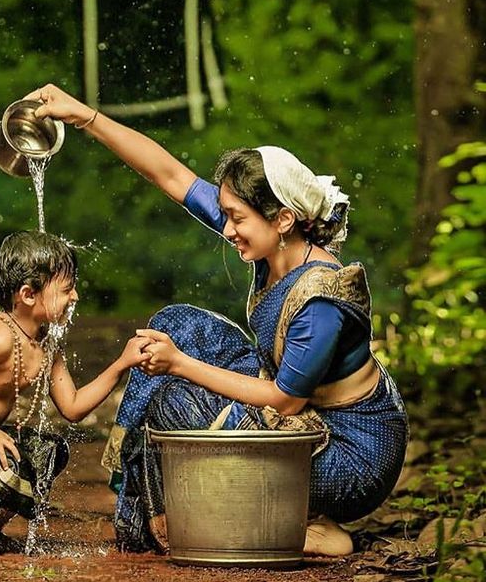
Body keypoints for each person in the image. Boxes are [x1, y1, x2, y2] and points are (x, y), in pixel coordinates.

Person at [27, 83, 409, 557]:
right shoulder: (274, 246)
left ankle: (295, 522)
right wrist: (83, 116)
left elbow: (284, 402)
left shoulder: (320, 301)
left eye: (237, 219)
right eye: (225, 214)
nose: (227, 229)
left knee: (177, 402)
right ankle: (139, 493)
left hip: (349, 456)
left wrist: (180, 365)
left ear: (284, 219)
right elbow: (168, 174)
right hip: (306, 414)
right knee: (174, 323)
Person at [0, 230, 150, 556]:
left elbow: (73, 407)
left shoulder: (47, 343)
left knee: (48, 452)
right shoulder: (0, 338)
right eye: (66, 290)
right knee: (7, 463)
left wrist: (122, 364)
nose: (75, 296)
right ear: (28, 295)